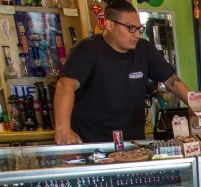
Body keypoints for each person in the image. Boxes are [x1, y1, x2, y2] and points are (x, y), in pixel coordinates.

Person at [54, 0, 192, 144]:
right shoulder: (87, 49)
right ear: (109, 25)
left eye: (139, 28)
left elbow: (171, 80)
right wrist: (63, 128)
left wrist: (199, 108)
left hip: (133, 141)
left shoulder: (144, 49)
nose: (137, 34)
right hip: (92, 141)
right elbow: (65, 86)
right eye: (131, 28)